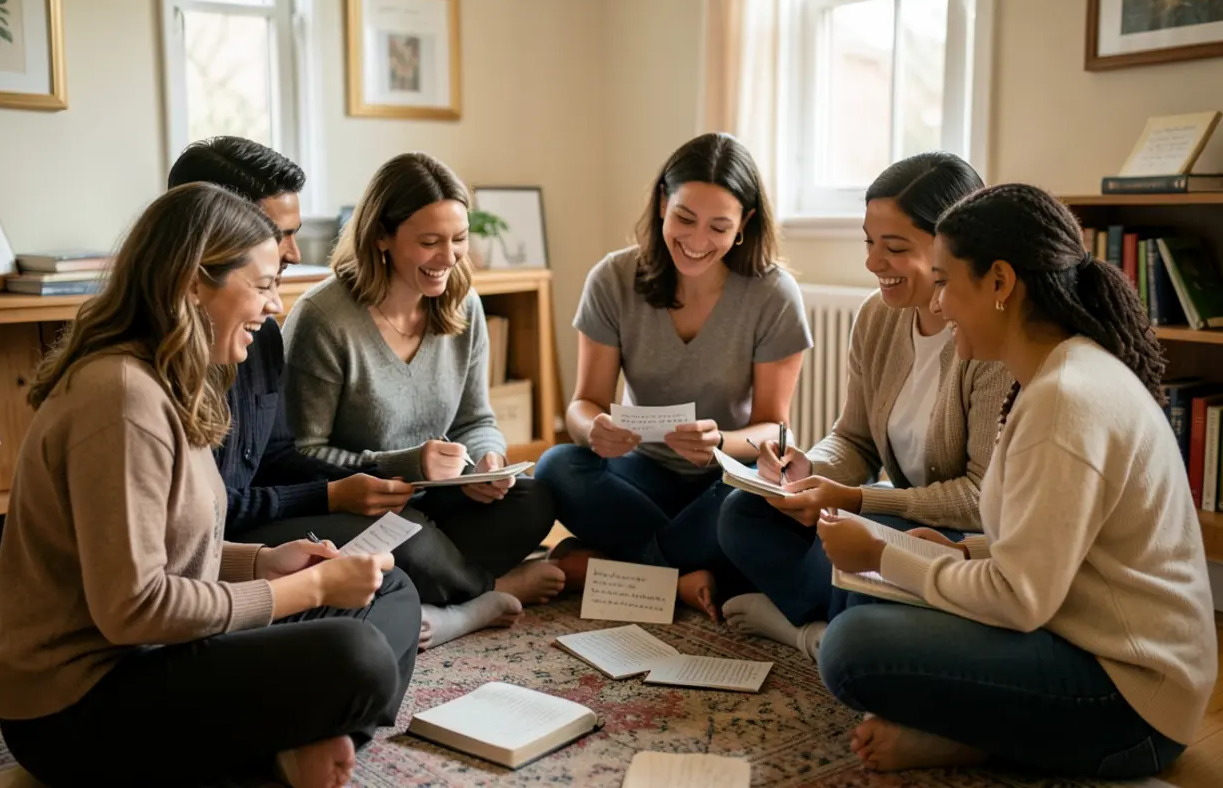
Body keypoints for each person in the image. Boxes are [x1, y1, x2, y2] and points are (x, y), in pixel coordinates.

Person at [0, 184, 422, 788]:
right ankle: (291, 745)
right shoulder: (121, 399)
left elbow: (168, 546)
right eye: (263, 285)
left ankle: (299, 741)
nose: (276, 305)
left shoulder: (171, 381)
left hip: (157, 655)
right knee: (358, 656)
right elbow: (136, 609)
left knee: (389, 589)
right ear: (192, 283)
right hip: (76, 705)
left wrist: (263, 562)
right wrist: (311, 586)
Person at [814, 183, 1218, 778]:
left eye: (946, 282)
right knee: (869, 600)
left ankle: (976, 742)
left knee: (852, 648)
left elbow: (1019, 599)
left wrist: (883, 554)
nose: (939, 304)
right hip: (1080, 636)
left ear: (1000, 282)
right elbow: (1056, 546)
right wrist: (961, 551)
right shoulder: (1056, 373)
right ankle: (973, 736)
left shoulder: (1064, 400)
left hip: (1133, 701)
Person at [717, 152, 1009, 658]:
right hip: (892, 509)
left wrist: (858, 500)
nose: (873, 263)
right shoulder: (878, 316)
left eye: (894, 248)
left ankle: (805, 631)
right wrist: (808, 470)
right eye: (869, 243)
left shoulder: (990, 340)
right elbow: (854, 439)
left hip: (951, 536)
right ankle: (835, 623)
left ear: (952, 248)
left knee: (865, 552)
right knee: (741, 514)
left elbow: (978, 500)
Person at [281, 152, 562, 649]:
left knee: (534, 501)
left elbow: (476, 418)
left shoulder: (464, 305)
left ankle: (442, 590)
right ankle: (487, 595)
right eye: (430, 242)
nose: (449, 258)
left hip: (437, 497)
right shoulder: (323, 319)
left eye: (459, 239)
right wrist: (408, 464)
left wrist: (488, 461)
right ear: (381, 237)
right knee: (411, 538)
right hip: (361, 505)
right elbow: (299, 456)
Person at [534, 132, 812, 621]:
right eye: (684, 218)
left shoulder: (774, 294)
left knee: (750, 502)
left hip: (725, 477)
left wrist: (720, 441)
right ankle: (687, 575)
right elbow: (584, 402)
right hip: (640, 472)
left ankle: (609, 571)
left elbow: (774, 428)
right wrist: (593, 430)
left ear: (744, 224)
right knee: (557, 466)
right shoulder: (613, 279)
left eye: (718, 227)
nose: (697, 241)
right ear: (663, 202)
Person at [166, 137, 409, 549]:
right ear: (215, 235)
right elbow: (201, 511)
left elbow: (276, 457)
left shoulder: (261, 333)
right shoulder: (155, 367)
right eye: (279, 236)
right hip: (212, 544)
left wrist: (382, 480)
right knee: (401, 556)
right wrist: (328, 496)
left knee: (413, 523)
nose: (294, 253)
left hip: (250, 526)